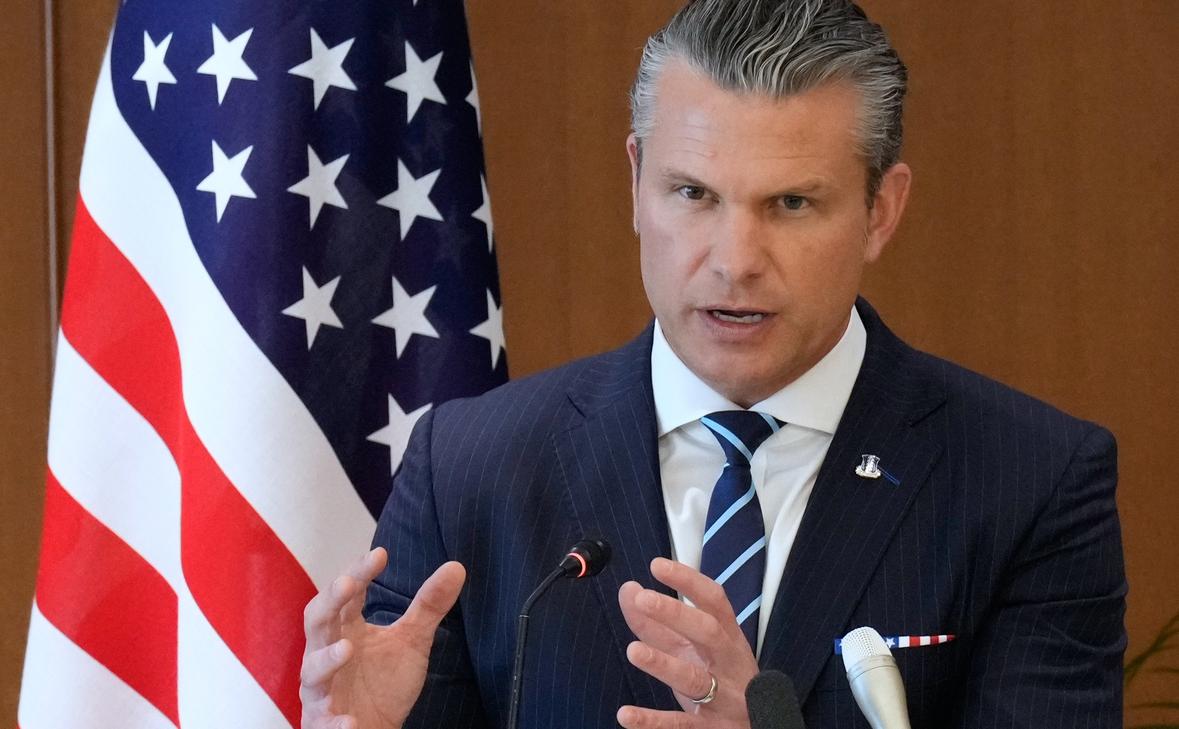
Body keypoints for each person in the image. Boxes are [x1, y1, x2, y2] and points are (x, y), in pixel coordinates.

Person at [301, 1, 1127, 727]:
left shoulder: (1029, 481)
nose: (735, 261)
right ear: (636, 182)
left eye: (791, 203)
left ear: (880, 210)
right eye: (693, 194)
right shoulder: (469, 467)